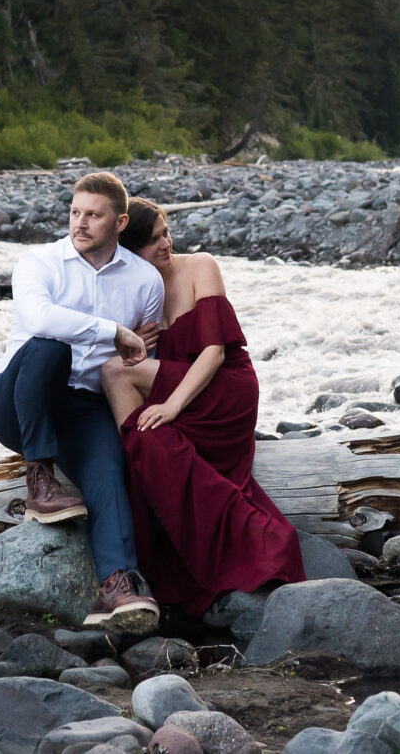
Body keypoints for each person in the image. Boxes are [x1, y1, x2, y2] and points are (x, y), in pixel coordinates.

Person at [100, 198, 306, 614]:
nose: (166, 244)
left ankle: (139, 464)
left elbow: (213, 352)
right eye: (154, 240)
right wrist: (138, 339)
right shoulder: (138, 292)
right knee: (119, 371)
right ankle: (146, 472)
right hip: (184, 388)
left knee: (114, 374)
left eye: (166, 233)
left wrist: (173, 406)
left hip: (225, 390)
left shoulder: (201, 266)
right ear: (130, 252)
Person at [0, 171, 165, 632]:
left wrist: (137, 348)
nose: (79, 224)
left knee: (108, 473)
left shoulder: (145, 281)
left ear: (120, 222)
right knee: (49, 345)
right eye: (75, 213)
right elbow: (41, 319)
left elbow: (142, 356)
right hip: (19, 402)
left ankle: (117, 586)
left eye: (93, 216)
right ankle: (40, 477)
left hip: (84, 408)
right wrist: (114, 331)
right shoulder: (39, 263)